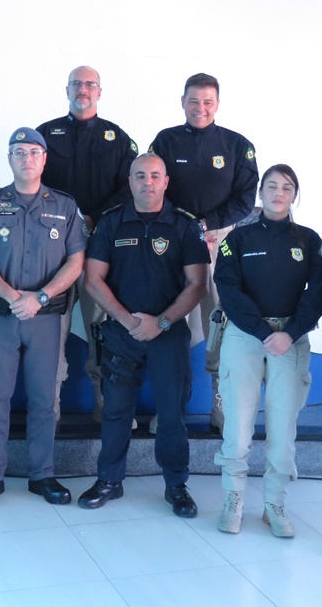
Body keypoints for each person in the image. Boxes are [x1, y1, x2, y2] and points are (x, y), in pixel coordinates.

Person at [77, 154, 209, 518]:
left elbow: (198, 285)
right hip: (122, 333)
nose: (147, 182)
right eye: (140, 176)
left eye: (154, 176)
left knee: (172, 414)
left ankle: (176, 485)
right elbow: (93, 280)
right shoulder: (112, 222)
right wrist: (128, 321)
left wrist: (161, 322)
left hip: (169, 333)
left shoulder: (184, 226)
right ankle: (109, 480)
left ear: (166, 182)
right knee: (115, 411)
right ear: (130, 182)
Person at [0, 129, 85, 507]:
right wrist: (12, 296)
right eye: (19, 152)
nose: (27, 158)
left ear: (44, 159)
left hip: (46, 318)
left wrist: (42, 296)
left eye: (34, 152)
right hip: (3, 315)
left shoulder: (65, 206)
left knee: (44, 400)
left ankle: (42, 475)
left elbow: (76, 260)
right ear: (9, 158)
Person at [212, 164, 322, 536]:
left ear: (295, 195)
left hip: (290, 340)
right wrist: (264, 332)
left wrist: (289, 333)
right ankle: (233, 501)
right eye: (272, 186)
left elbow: (318, 293)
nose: (279, 193)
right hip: (246, 337)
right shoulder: (238, 239)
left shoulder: (309, 241)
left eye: (287, 187)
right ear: (261, 193)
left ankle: (275, 504)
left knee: (282, 430)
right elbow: (228, 289)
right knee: (237, 427)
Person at [149, 72, 258, 431]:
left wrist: (209, 224)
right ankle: (170, 408)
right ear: (183, 102)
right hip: (172, 241)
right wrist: (183, 225)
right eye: (194, 101)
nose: (200, 108)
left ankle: (220, 403)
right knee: (169, 323)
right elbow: (152, 188)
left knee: (219, 324)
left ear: (217, 104)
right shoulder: (165, 141)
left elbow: (245, 199)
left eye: (208, 102)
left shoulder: (237, 145)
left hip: (217, 242)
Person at [36, 65, 137, 422]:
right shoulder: (45, 134)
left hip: (99, 249)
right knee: (53, 330)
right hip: (55, 251)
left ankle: (106, 404)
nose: (83, 89)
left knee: (101, 328)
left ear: (100, 91)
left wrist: (95, 217)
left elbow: (130, 188)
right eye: (77, 84)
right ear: (67, 90)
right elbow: (31, 183)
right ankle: (50, 408)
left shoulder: (117, 138)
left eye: (90, 84)